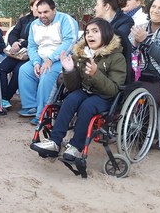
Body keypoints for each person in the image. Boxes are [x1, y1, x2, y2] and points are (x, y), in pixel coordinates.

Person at [30, 18, 126, 158]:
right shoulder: (81, 54)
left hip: (105, 97)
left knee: (87, 106)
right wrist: (69, 71)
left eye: (95, 31)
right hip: (85, 91)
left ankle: (75, 146)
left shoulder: (117, 58)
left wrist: (95, 74)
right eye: (87, 32)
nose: (89, 35)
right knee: (70, 99)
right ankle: (55, 142)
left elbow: (113, 89)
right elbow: (73, 87)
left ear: (106, 33)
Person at [18, 0, 79, 125]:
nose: (42, 16)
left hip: (62, 59)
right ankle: (31, 106)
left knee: (47, 74)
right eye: (39, 12)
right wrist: (35, 62)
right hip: (40, 57)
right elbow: (32, 46)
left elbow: (70, 42)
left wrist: (51, 59)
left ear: (54, 10)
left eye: (46, 12)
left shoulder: (65, 20)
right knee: (24, 70)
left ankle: (43, 114)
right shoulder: (34, 25)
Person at [0, 0, 42, 109]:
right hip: (17, 52)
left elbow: (38, 40)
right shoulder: (24, 20)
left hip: (31, 54)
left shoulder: (43, 22)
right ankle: (3, 98)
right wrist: (14, 43)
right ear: (31, 7)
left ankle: (7, 98)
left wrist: (22, 43)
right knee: (2, 68)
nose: (39, 8)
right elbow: (13, 34)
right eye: (37, 6)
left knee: (18, 71)